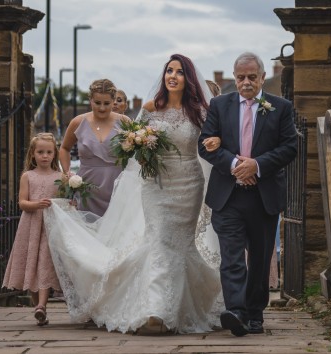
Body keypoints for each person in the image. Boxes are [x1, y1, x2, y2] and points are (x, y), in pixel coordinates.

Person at [43, 53, 222, 334]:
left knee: (180, 244)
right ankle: (157, 311)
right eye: (169, 71)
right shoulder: (152, 107)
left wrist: (216, 141)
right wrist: (136, 142)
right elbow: (132, 141)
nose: (172, 76)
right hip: (155, 184)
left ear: (188, 78)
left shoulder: (200, 111)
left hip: (189, 182)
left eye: (179, 72)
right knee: (160, 239)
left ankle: (184, 306)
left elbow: (215, 140)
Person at [198, 52, 298, 336]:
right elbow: (205, 145)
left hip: (263, 196)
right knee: (231, 256)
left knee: (260, 257)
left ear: (263, 77)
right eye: (240, 77)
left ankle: (255, 314)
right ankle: (237, 312)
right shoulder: (219, 105)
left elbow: (290, 147)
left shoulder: (281, 107)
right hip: (228, 196)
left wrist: (257, 165)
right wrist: (234, 165)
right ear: (234, 77)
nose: (245, 83)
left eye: (251, 77)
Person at [2, 132, 63, 326]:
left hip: (50, 227)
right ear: (33, 154)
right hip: (30, 226)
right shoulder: (27, 176)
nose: (45, 156)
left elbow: (63, 202)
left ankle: (42, 306)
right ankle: (39, 308)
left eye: (49, 152)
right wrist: (36, 204)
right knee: (31, 264)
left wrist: (69, 203)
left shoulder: (60, 177)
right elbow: (22, 202)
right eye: (40, 152)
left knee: (44, 262)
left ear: (54, 154)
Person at [59, 79, 129, 216]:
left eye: (107, 103)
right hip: (86, 188)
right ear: (90, 100)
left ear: (113, 101)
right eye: (97, 103)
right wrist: (67, 173)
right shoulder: (78, 122)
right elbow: (64, 148)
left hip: (117, 186)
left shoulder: (124, 122)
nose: (102, 108)